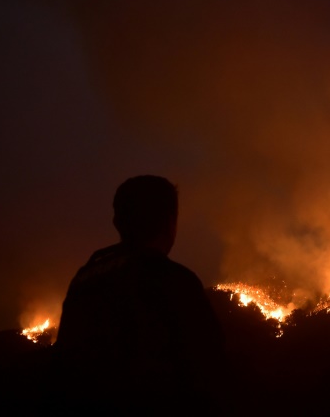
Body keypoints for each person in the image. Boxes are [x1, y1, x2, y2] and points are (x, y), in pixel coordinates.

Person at [53, 176, 224, 412]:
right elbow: (209, 370)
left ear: (117, 222)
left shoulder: (83, 280)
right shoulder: (173, 280)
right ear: (170, 222)